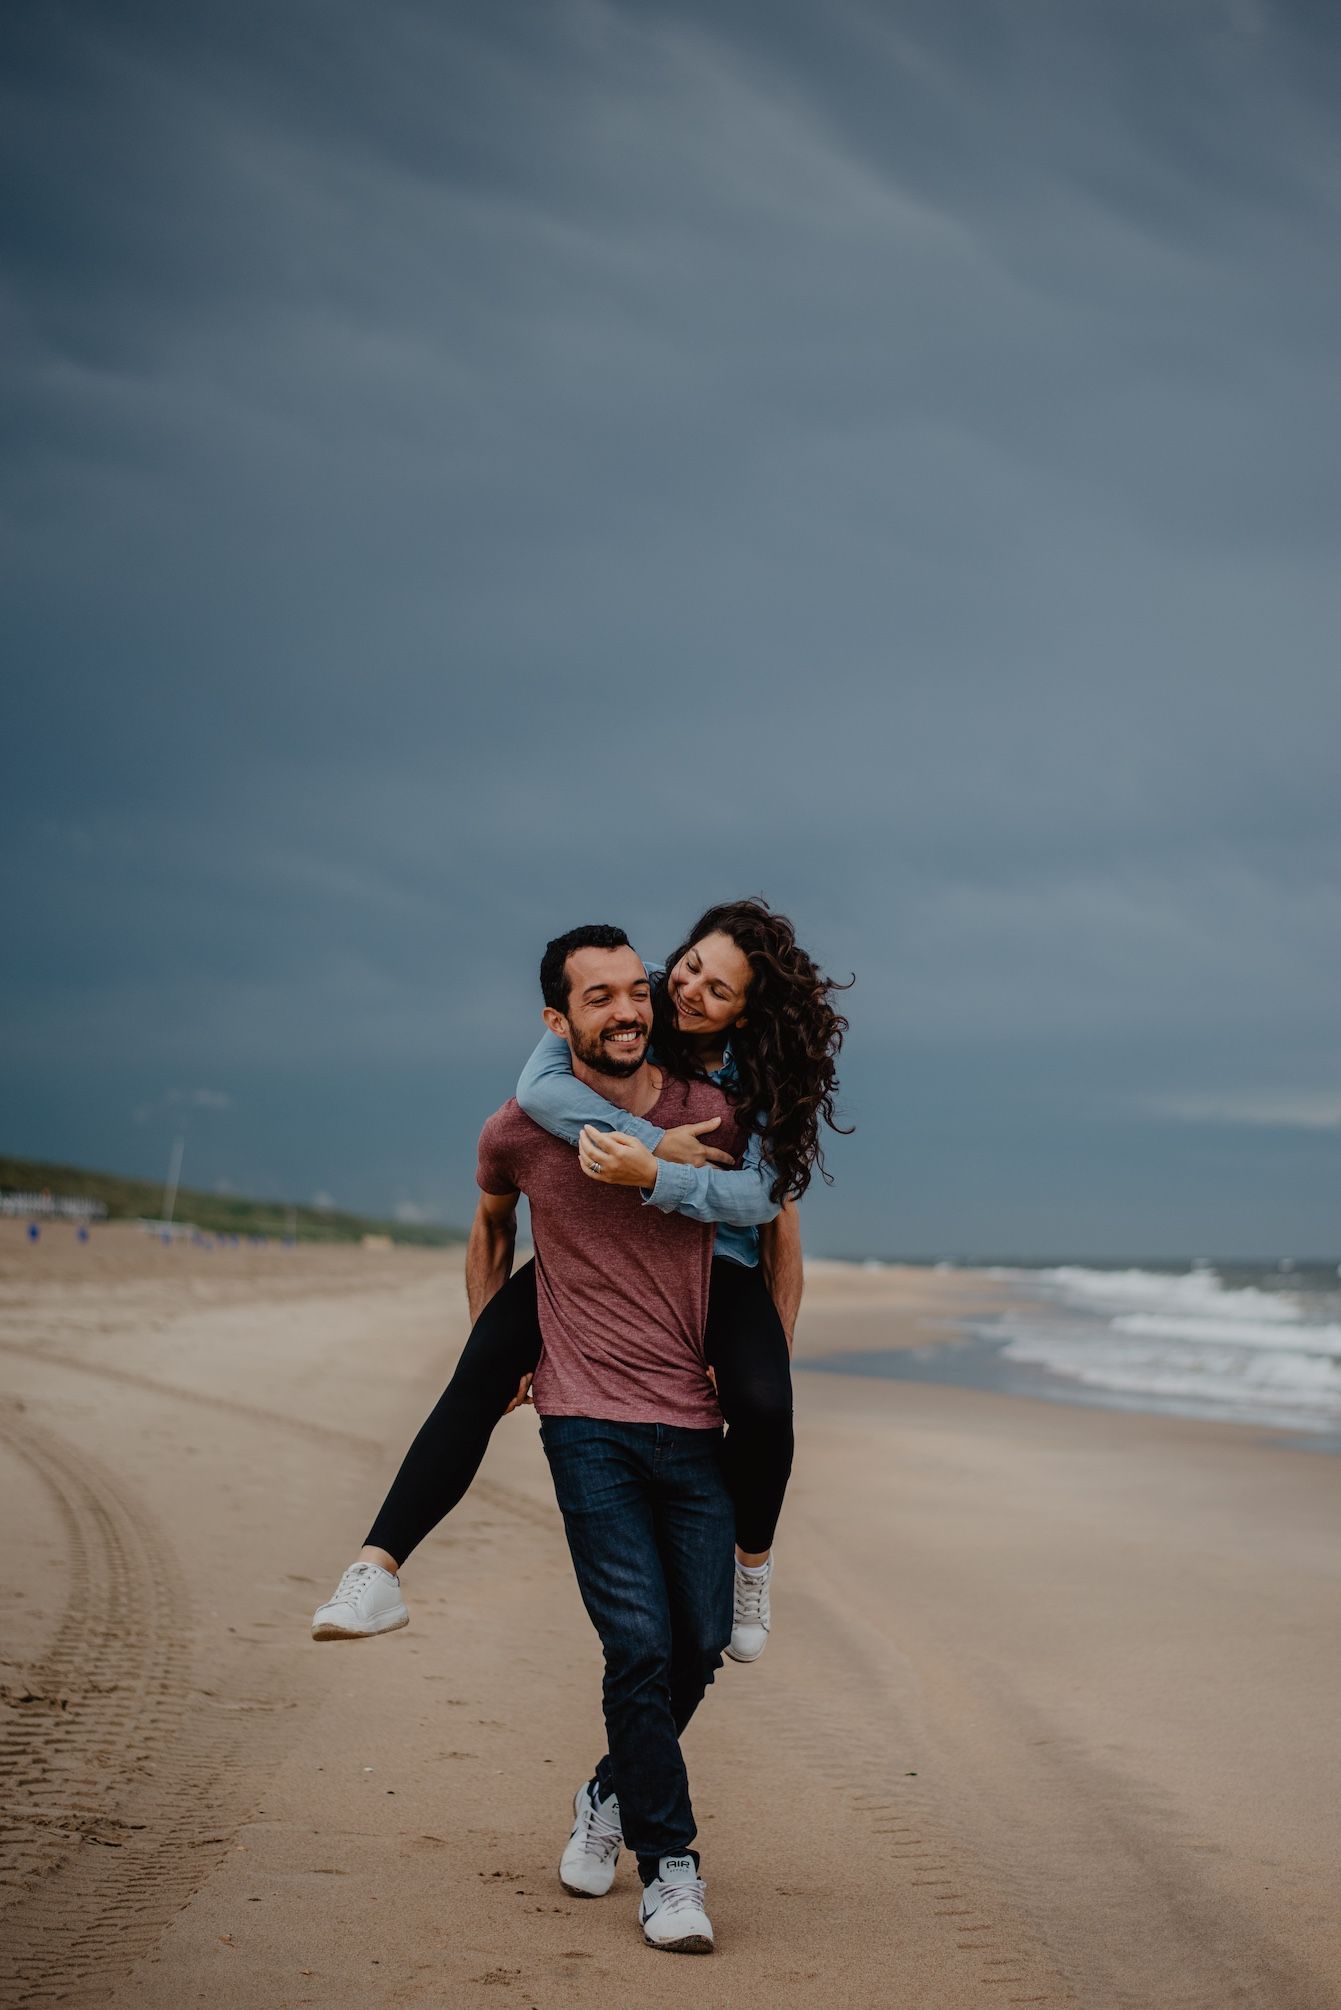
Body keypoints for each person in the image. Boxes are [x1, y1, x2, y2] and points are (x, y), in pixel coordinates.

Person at [312, 897, 850, 1659]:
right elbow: (538, 1092)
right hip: (594, 1256)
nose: (689, 992)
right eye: (690, 966)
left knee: (764, 1405)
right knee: (480, 1373)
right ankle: (376, 1572)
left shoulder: (759, 1080)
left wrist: (659, 1178)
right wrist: (650, 1146)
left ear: (746, 1011)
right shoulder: (638, 1003)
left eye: (717, 990)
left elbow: (767, 1202)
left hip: (711, 1261)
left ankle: (748, 1567)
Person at [477, 923, 743, 1949]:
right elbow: (491, 1219)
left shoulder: (705, 1107)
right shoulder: (520, 1125)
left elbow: (763, 1221)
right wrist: (488, 1353)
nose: (630, 1010)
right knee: (637, 1643)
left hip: (691, 1416)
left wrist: (754, 1354)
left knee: (701, 1642)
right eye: (601, 998)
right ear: (557, 1020)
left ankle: (610, 1790)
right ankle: (671, 1870)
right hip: (583, 1415)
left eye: (639, 991)